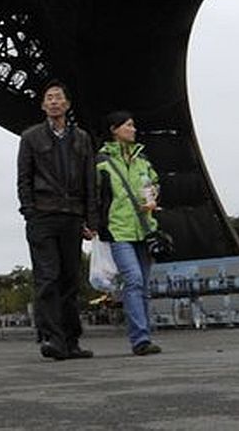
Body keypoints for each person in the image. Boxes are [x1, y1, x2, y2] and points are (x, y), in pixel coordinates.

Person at [16, 80, 98, 361]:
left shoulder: (83, 139)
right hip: (43, 214)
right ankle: (54, 338)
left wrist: (92, 218)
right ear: (42, 104)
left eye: (58, 97)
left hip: (72, 215)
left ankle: (71, 340)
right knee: (48, 278)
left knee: (70, 280)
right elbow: (24, 178)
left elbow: (90, 179)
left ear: (67, 104)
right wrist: (29, 211)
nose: (53, 101)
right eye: (48, 97)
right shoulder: (30, 137)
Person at [94, 110, 162, 356]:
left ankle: (144, 335)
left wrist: (153, 196)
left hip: (144, 228)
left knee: (142, 285)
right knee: (133, 280)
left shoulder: (142, 160)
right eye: (129, 125)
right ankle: (140, 339)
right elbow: (94, 194)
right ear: (114, 129)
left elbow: (154, 184)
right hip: (118, 229)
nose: (134, 129)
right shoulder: (101, 162)